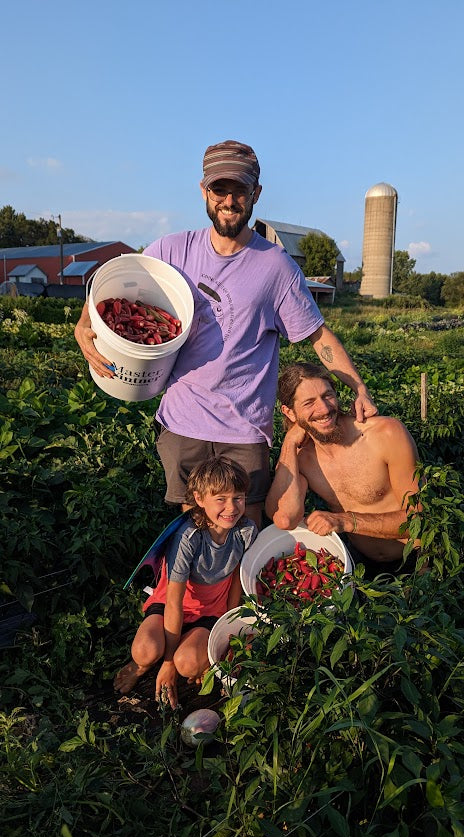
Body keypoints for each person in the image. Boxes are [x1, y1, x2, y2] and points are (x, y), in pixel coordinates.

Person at [74, 139, 377, 527]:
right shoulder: (171, 250)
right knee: (196, 534)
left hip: (243, 430)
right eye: (220, 189)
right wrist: (85, 323)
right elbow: (114, 282)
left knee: (242, 533)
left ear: (256, 194)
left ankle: (239, 588)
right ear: (204, 191)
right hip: (182, 423)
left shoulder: (276, 267)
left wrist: (359, 387)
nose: (229, 201)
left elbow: (318, 336)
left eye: (240, 191)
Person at [114, 457, 257, 708]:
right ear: (199, 500)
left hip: (210, 611)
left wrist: (225, 625)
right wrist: (167, 662)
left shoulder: (245, 531)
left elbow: (236, 577)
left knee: (188, 664)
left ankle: (192, 648)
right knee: (145, 651)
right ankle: (145, 665)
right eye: (220, 499)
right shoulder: (188, 538)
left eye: (238, 498)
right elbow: (173, 601)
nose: (231, 508)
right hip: (171, 606)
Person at [265, 362, 422, 577]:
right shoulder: (302, 458)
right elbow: (284, 519)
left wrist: (345, 521)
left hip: (416, 558)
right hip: (361, 564)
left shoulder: (385, 434)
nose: (324, 408)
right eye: (309, 402)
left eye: (327, 395)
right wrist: (289, 444)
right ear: (289, 413)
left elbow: (418, 520)